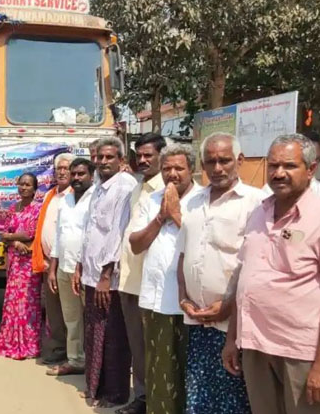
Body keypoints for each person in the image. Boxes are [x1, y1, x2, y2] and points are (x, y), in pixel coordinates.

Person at [222, 134, 320, 414]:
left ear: (311, 169)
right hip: (255, 345)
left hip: (300, 352)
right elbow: (247, 280)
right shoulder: (258, 213)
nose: (278, 173)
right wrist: (233, 339)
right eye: (273, 165)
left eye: (289, 166)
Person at [176, 133, 261, 413]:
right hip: (197, 320)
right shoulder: (192, 201)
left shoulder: (256, 203)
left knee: (233, 398)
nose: (217, 168)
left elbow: (253, 266)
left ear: (240, 160)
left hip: (232, 325)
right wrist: (183, 297)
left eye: (224, 160)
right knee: (199, 394)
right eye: (210, 161)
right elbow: (183, 254)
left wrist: (227, 307)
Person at [130, 144, 202, 414]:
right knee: (158, 369)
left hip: (187, 302)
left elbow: (204, 244)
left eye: (178, 168)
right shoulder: (152, 199)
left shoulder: (202, 200)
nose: (172, 174)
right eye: (167, 168)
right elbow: (136, 244)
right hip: (154, 298)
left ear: (191, 169)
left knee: (186, 372)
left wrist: (177, 215)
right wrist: (161, 216)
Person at [73, 137, 137, 408]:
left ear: (121, 160)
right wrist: (80, 266)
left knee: (112, 338)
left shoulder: (125, 187)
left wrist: (105, 275)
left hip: (107, 278)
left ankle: (115, 393)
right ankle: (95, 387)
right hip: (90, 272)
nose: (102, 162)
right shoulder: (99, 186)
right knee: (94, 333)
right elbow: (90, 230)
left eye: (109, 157)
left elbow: (117, 234)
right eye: (99, 157)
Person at [116, 133, 166, 414]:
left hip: (153, 284)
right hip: (130, 280)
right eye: (140, 155)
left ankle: (154, 400)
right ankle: (143, 397)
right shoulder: (139, 187)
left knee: (154, 347)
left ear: (162, 154)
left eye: (149, 155)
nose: (143, 160)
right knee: (138, 346)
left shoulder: (167, 188)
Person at [46, 158, 95, 376]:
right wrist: (52, 268)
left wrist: (80, 265)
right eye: (73, 174)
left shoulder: (96, 199)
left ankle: (95, 365)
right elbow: (59, 235)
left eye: (81, 174)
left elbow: (93, 237)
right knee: (71, 317)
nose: (76, 178)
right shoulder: (65, 200)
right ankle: (76, 360)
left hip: (86, 271)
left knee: (93, 320)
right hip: (63, 268)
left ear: (91, 176)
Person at [32, 153, 75, 365]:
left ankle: (75, 353)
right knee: (54, 310)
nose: (62, 171)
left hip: (67, 263)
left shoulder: (76, 195)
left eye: (67, 168)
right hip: (49, 262)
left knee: (71, 311)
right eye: (59, 168)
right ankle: (59, 348)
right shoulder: (51, 195)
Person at [0, 172, 43, 360]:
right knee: (13, 302)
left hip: (29, 262)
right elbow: (3, 235)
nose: (23, 187)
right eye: (21, 184)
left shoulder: (38, 209)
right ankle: (12, 341)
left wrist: (13, 237)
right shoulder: (13, 208)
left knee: (27, 303)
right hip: (15, 262)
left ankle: (29, 343)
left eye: (28, 185)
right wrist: (14, 242)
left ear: (34, 189)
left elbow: (30, 234)